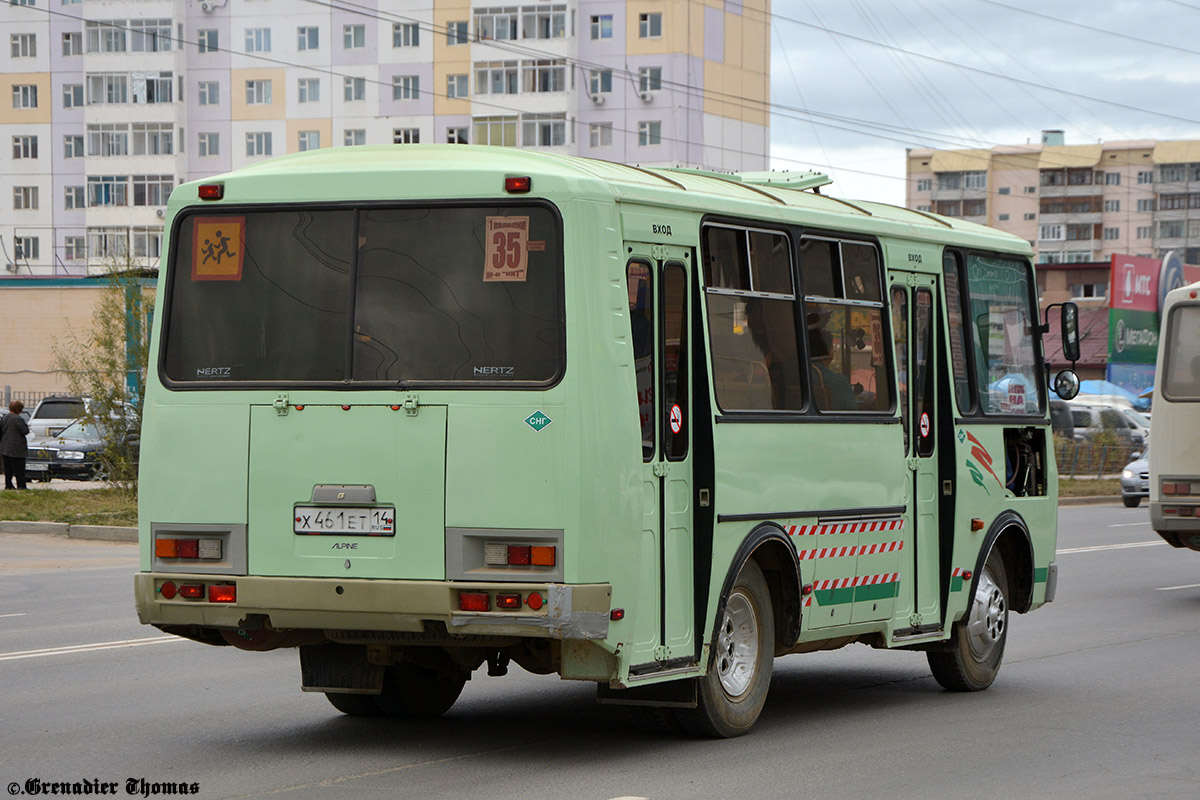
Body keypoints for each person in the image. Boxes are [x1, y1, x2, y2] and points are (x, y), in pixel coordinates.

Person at [1, 400, 30, 490]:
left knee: (8, 469)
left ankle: (8, 485)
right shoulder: (18, 419)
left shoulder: (4, 418)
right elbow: (25, 431)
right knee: (19, 468)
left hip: (5, 447)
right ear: (19, 409)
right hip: (17, 448)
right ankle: (21, 485)